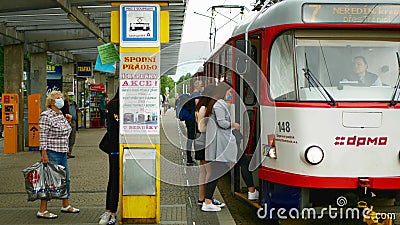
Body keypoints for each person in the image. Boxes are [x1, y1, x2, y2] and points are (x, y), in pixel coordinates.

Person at [37, 90, 79, 219]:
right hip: (51, 152)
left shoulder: (60, 114)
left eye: (61, 97)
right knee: (50, 181)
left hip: (62, 152)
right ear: (51, 102)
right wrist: (44, 153)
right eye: (58, 98)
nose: (61, 100)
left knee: (65, 179)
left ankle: (65, 204)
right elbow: (43, 135)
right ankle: (42, 209)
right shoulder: (46, 116)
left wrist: (68, 120)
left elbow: (67, 131)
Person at [202, 82, 239, 212]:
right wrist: (233, 124)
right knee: (217, 171)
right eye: (229, 92)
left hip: (218, 144)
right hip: (219, 145)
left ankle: (209, 200)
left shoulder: (216, 103)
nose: (230, 95)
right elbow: (222, 123)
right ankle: (207, 202)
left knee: (217, 171)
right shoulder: (219, 104)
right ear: (224, 91)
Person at [194, 85, 225, 208]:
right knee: (209, 172)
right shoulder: (203, 108)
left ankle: (203, 198)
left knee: (204, 172)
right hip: (203, 142)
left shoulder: (201, 107)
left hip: (202, 142)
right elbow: (201, 128)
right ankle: (207, 199)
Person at [98, 89, 120, 225]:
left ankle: (111, 212)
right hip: (116, 149)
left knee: (116, 179)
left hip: (131, 147)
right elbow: (113, 128)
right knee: (114, 179)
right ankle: (110, 211)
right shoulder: (114, 105)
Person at [185, 80, 204, 165]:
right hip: (193, 120)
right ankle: (190, 158)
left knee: (190, 138)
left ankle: (189, 157)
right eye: (201, 85)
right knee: (192, 138)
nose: (202, 86)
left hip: (190, 119)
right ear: (197, 86)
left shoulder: (193, 94)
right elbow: (197, 106)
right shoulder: (197, 95)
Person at [61, 92, 78, 159]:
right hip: (66, 121)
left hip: (73, 121)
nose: (71, 97)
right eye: (70, 96)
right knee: (66, 138)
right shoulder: (64, 104)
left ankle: (69, 152)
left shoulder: (74, 104)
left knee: (72, 138)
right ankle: (65, 153)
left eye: (72, 96)